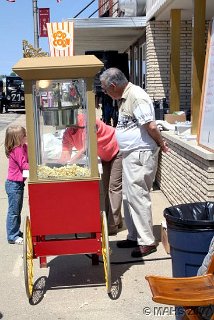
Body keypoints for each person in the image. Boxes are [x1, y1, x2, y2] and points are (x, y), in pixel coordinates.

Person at [100, 68, 169, 258]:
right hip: (131, 153)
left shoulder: (137, 96)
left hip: (140, 154)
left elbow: (151, 125)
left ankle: (147, 241)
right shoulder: (125, 97)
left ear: (113, 86)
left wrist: (161, 144)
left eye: (106, 89)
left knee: (138, 195)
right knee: (128, 196)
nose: (105, 93)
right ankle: (134, 235)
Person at [60, 113, 123, 235]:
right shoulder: (69, 130)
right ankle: (117, 219)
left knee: (114, 187)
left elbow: (85, 147)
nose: (66, 127)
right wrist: (61, 165)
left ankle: (112, 225)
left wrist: (70, 163)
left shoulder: (87, 122)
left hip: (116, 149)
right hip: (104, 155)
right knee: (106, 189)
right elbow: (65, 149)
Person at [5, 125, 29, 245]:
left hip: (18, 184)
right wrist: (36, 168)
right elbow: (24, 165)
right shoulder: (17, 149)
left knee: (17, 209)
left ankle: (16, 231)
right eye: (24, 135)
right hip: (14, 184)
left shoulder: (23, 147)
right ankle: (12, 235)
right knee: (14, 211)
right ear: (17, 138)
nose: (26, 136)